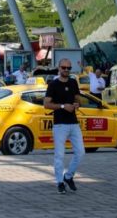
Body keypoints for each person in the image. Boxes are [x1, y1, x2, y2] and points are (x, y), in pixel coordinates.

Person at [43, 58, 85, 195]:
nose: (66, 70)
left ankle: (69, 176)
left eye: (68, 68)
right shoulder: (53, 85)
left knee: (80, 152)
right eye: (64, 67)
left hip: (73, 123)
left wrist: (77, 104)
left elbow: (78, 98)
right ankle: (60, 182)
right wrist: (62, 106)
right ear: (58, 68)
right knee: (59, 155)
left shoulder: (73, 82)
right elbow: (46, 104)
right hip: (60, 124)